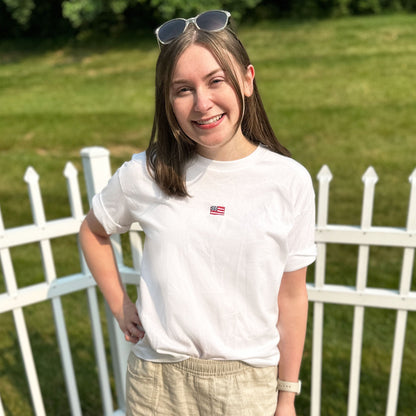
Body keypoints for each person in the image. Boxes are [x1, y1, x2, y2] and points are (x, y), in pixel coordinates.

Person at [79, 9, 316, 416]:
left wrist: (287, 397)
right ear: (168, 101)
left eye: (215, 80)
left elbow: (292, 297)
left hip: (246, 388)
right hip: (157, 385)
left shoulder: (288, 181)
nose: (202, 103)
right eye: (182, 89)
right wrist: (120, 306)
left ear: (246, 79)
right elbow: (93, 231)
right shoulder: (147, 172)